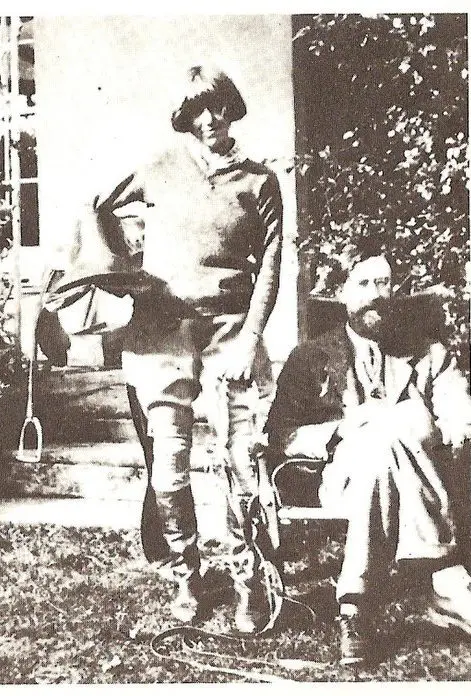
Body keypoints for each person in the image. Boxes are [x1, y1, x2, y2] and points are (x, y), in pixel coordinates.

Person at [74, 65, 283, 632]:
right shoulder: (159, 169)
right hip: (162, 336)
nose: (210, 119)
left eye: (218, 106)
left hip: (229, 336)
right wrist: (122, 270)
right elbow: (97, 206)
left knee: (241, 463)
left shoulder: (260, 181)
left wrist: (251, 339)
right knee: (168, 469)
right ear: (186, 118)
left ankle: (247, 579)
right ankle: (187, 574)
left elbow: (271, 264)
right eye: (197, 110)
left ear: (232, 108)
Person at [265, 235, 471, 664]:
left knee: (391, 433)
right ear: (341, 293)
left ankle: (354, 606)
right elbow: (282, 436)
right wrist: (343, 429)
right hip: (341, 481)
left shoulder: (428, 354)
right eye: (364, 284)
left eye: (384, 283)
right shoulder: (310, 358)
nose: (377, 294)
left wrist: (432, 427)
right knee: (390, 428)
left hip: (403, 476)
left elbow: (460, 415)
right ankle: (444, 577)